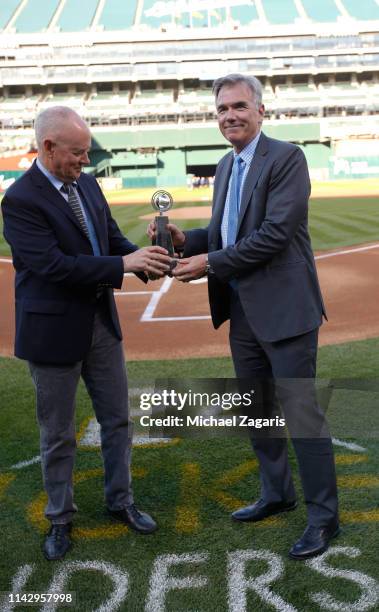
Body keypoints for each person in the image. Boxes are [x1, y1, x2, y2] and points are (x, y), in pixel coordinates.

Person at [148, 74, 339, 560]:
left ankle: (323, 517)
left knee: (301, 416)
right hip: (242, 310)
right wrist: (184, 241)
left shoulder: (287, 158)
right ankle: (277, 493)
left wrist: (209, 262)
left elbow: (275, 234)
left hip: (286, 310)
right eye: (221, 110)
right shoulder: (227, 165)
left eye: (238, 106)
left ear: (260, 111)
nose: (229, 116)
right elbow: (224, 230)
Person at [1, 106, 172, 560]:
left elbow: (112, 241)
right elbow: (51, 266)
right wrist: (122, 265)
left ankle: (122, 501)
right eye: (77, 153)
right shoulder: (19, 200)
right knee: (57, 433)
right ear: (49, 147)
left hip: (100, 324)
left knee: (117, 419)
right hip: (54, 332)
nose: (85, 161)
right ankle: (60, 519)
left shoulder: (88, 185)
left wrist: (149, 255)